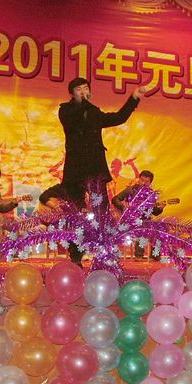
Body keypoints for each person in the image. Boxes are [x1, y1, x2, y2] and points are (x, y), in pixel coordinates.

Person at [57, 77, 147, 264]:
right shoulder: (65, 110)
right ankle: (76, 257)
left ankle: (104, 255)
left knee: (101, 212)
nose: (84, 91)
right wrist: (82, 102)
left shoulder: (94, 112)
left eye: (86, 88)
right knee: (75, 213)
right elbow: (74, 120)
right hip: (75, 170)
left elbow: (119, 118)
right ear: (72, 93)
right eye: (79, 89)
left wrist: (134, 98)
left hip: (95, 169)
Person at [112, 170, 166, 259]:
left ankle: (155, 255)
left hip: (146, 220)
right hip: (130, 220)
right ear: (138, 179)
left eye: (146, 182)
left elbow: (154, 212)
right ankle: (139, 255)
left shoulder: (151, 195)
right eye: (142, 180)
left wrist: (160, 208)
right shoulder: (130, 190)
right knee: (141, 226)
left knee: (160, 228)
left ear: (150, 183)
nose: (143, 183)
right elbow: (115, 199)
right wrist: (123, 207)